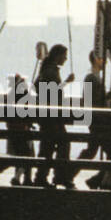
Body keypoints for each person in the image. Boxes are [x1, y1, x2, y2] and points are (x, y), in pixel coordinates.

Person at [33, 43, 77, 188]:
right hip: (52, 115)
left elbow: (38, 87)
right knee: (63, 143)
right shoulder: (52, 71)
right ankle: (60, 176)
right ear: (58, 55)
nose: (65, 59)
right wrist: (66, 82)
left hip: (46, 115)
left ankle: (41, 177)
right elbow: (53, 91)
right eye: (64, 55)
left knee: (47, 146)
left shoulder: (46, 69)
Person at [0, 74, 36, 185]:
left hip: (16, 129)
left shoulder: (11, 96)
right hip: (21, 130)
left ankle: (22, 178)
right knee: (25, 155)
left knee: (22, 155)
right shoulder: (22, 95)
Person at [78, 51, 111, 187]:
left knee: (94, 150)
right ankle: (67, 174)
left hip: (96, 120)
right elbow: (89, 100)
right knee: (108, 151)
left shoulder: (94, 77)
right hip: (97, 120)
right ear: (96, 59)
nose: (105, 62)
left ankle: (96, 179)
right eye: (103, 59)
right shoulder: (92, 78)